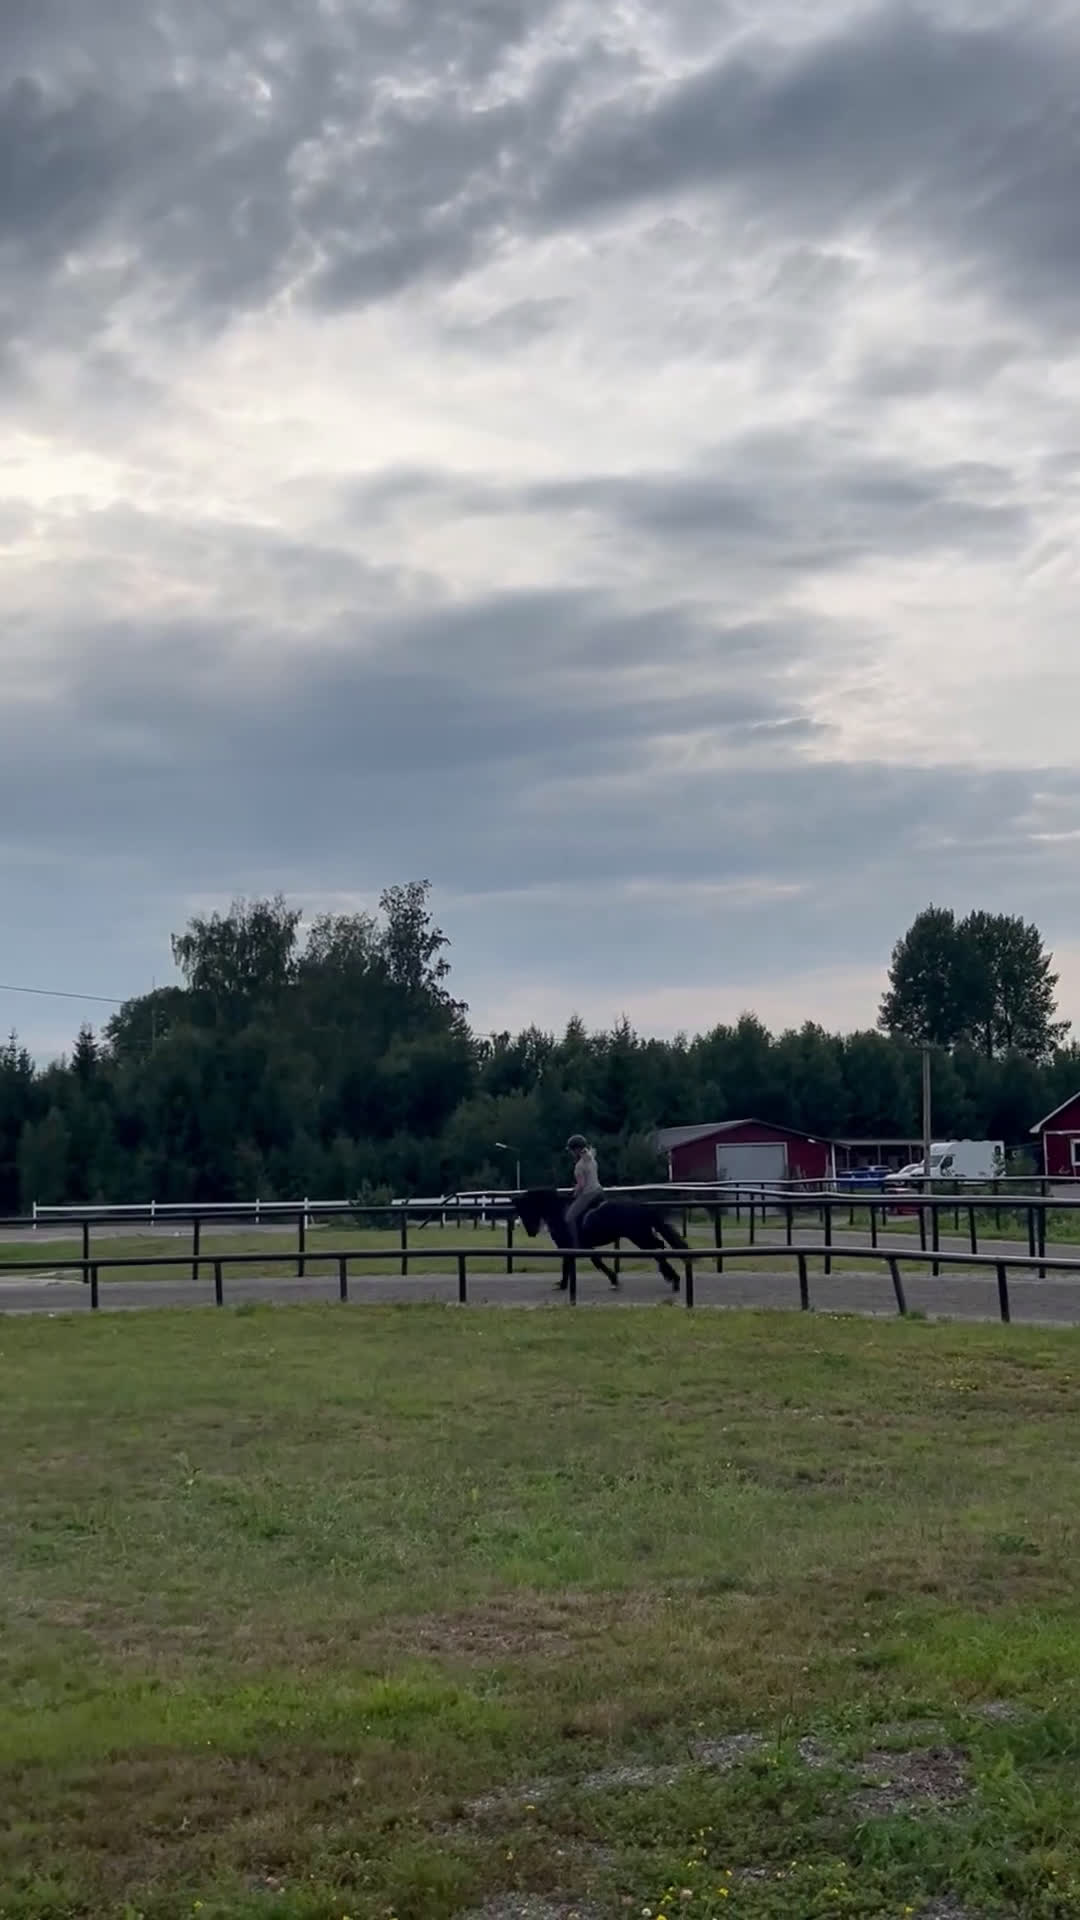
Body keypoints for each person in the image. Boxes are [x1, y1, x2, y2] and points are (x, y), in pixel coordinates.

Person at [564, 1133, 602, 1246]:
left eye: (571, 1150)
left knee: (569, 1217)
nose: (571, 1153)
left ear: (576, 1149)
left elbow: (581, 1185)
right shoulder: (591, 1158)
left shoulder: (579, 1166)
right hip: (599, 1191)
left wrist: (574, 1193)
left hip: (589, 1194)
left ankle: (576, 1245)